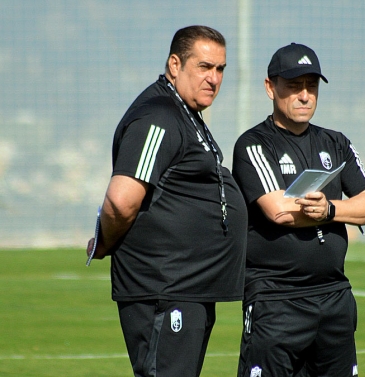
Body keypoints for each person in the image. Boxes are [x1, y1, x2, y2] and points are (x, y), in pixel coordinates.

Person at [85, 25, 247, 377]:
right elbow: (120, 201)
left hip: (187, 289)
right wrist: (105, 242)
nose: (214, 78)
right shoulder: (159, 115)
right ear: (175, 64)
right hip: (165, 290)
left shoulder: (185, 113)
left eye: (220, 69)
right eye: (204, 67)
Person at [232, 43, 365, 377]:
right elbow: (279, 211)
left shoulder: (335, 143)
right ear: (270, 87)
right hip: (276, 301)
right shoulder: (254, 144)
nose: (305, 95)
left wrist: (330, 209)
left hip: (334, 298)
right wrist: (332, 211)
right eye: (294, 86)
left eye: (311, 86)